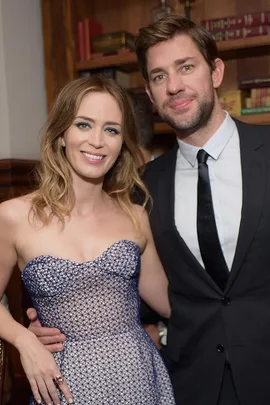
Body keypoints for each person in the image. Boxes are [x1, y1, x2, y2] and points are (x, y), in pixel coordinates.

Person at [27, 13, 270, 405]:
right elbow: (122, 278)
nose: (174, 86)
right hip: (191, 383)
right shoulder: (141, 188)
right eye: (158, 77)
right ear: (151, 95)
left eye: (186, 67)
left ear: (216, 71)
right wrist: (45, 323)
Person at [0, 76, 176, 404]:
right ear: (62, 134)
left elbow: (171, 303)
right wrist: (24, 340)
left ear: (123, 143)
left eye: (111, 129)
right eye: (84, 124)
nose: (97, 141)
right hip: (64, 387)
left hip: (138, 378)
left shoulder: (135, 216)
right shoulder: (14, 217)